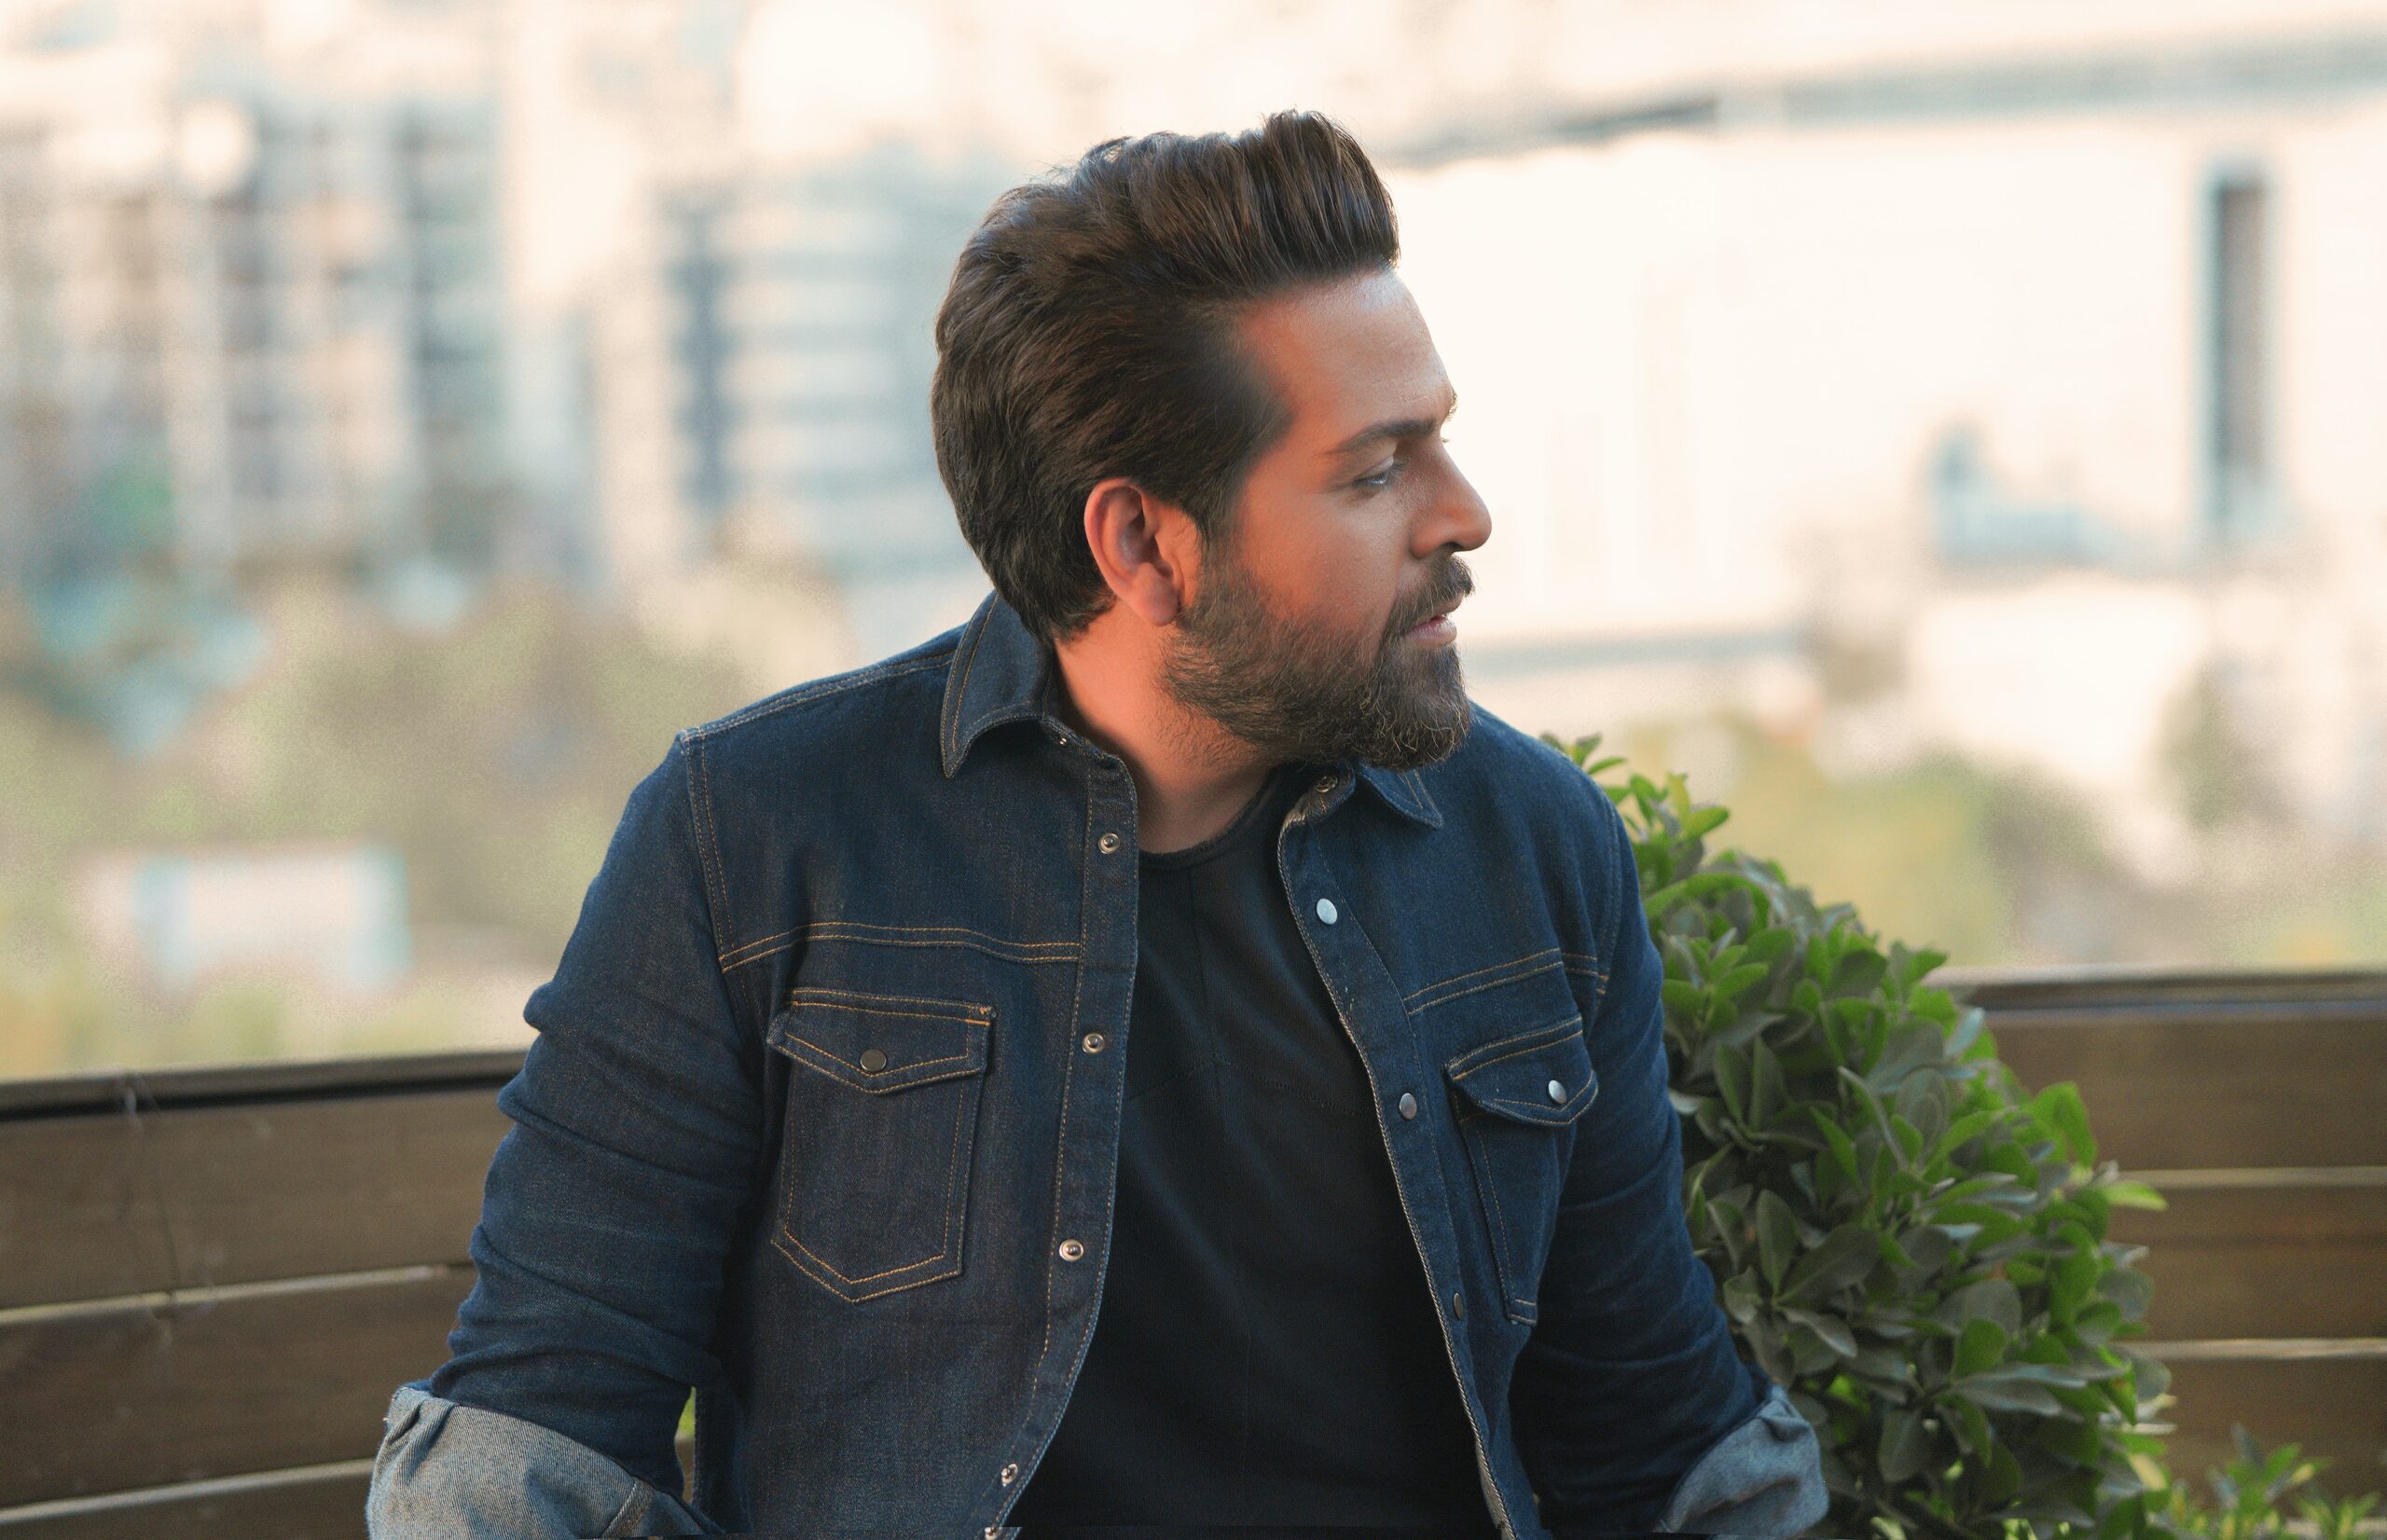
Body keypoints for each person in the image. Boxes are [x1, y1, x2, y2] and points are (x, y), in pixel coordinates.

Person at [366, 109, 1829, 1540]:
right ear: (1141, 546)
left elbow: (1656, 1444)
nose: (1464, 515)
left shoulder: (1532, 849)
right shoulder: (752, 836)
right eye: (1375, 471)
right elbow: (522, 1458)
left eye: (1435, 445)